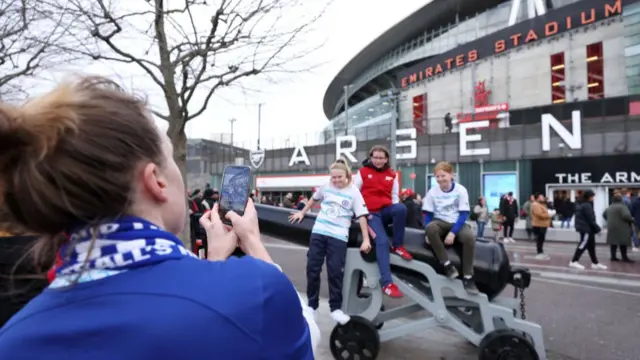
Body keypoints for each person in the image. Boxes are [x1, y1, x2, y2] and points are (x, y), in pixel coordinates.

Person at [0, 77, 319, 359]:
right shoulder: (254, 291)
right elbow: (301, 334)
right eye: (170, 156)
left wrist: (214, 265)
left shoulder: (13, 339)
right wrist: (252, 242)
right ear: (156, 180)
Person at [290, 159, 371, 325]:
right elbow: (314, 199)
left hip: (338, 236)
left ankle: (335, 308)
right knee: (312, 269)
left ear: (347, 175)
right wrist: (302, 213)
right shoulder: (326, 186)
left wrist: (366, 239)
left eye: (339, 177)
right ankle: (312, 306)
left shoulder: (354, 192)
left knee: (335, 272)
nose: (336, 180)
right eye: (333, 177)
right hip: (319, 232)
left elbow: (362, 216)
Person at [354, 145, 412, 299]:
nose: (378, 160)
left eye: (381, 158)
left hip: (385, 210)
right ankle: (387, 283)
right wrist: (359, 213)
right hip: (370, 213)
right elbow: (354, 193)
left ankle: (398, 246)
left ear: (387, 159)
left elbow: (394, 198)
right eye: (375, 157)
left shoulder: (392, 175)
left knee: (401, 208)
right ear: (371, 158)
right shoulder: (363, 172)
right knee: (382, 241)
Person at [423, 161, 478, 294]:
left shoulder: (461, 190)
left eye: (443, 176)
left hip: (456, 222)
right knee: (431, 228)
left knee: (469, 238)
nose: (440, 179)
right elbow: (427, 214)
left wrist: (453, 233)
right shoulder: (432, 192)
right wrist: (427, 232)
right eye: (437, 176)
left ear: (451, 175)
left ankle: (468, 277)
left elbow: (464, 213)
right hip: (440, 221)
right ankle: (446, 264)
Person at [570, 190, 607, 270]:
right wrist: (598, 229)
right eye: (592, 196)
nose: (593, 198)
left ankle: (595, 262)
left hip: (587, 228)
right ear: (589, 197)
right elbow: (590, 219)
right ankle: (574, 261)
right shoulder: (587, 205)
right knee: (583, 244)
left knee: (591, 246)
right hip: (586, 229)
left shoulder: (581, 204)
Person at [603, 192, 635, 263]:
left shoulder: (610, 207)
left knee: (613, 243)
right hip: (622, 227)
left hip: (611, 227)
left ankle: (613, 257)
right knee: (623, 243)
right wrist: (632, 219)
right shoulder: (622, 207)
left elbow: (604, 214)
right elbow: (626, 216)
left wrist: (610, 220)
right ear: (621, 200)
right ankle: (624, 257)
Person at [530, 194, 551, 260]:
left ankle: (541, 252)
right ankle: (539, 252)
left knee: (541, 239)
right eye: (542, 197)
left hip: (543, 225)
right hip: (538, 225)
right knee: (540, 239)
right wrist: (549, 214)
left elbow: (544, 212)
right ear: (538, 198)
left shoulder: (542, 204)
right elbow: (539, 214)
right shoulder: (535, 204)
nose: (543, 198)